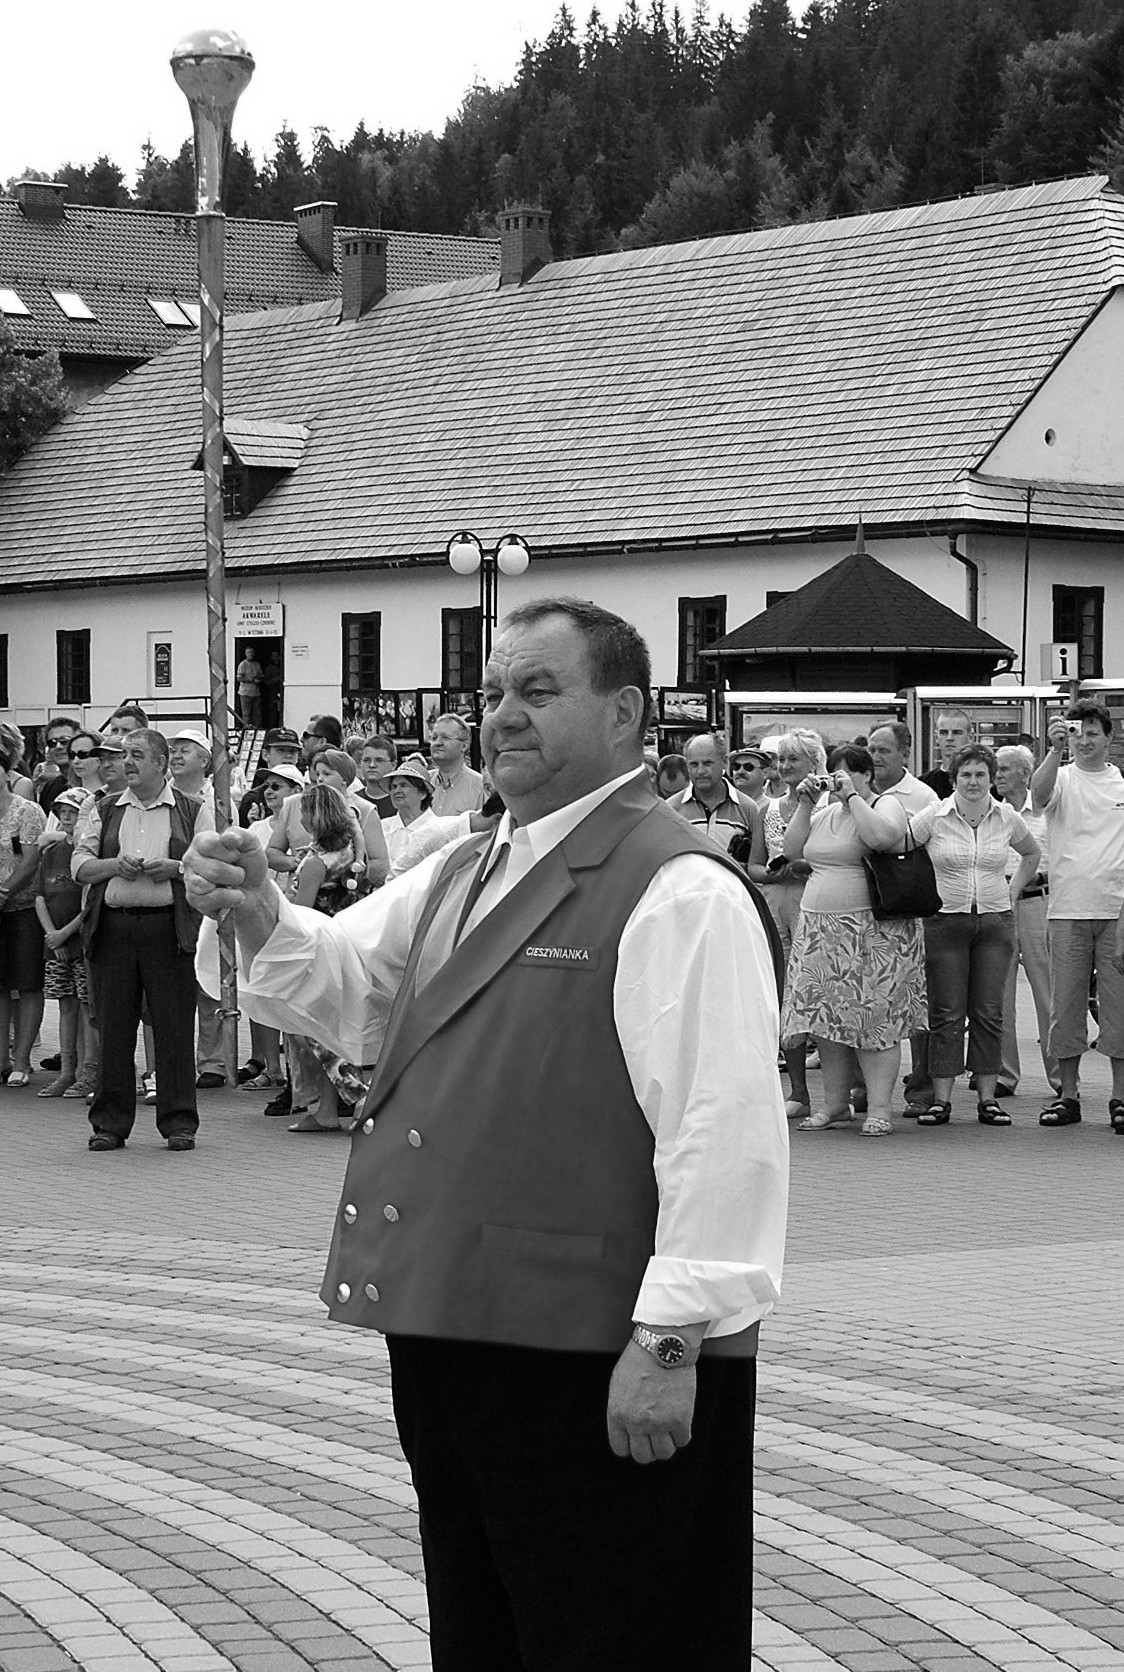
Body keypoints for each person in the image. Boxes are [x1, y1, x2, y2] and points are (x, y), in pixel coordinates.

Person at [186, 595, 788, 1669]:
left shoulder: (678, 886)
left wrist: (670, 1339)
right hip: (457, 1333)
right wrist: (258, 908)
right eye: (495, 689)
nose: (503, 712)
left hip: (590, 1347)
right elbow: (347, 986)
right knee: (488, 1632)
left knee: (621, 1636)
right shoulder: (465, 868)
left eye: (538, 689)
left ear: (625, 713)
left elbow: (722, 1131)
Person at [74, 730, 213, 1152]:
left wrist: (175, 868)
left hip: (168, 929)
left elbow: (212, 867)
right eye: (123, 756)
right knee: (114, 1027)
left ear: (161, 763)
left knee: (172, 1027)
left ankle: (178, 1123)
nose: (126, 763)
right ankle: (109, 1124)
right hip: (114, 928)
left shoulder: (192, 809)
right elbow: (79, 864)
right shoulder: (104, 807)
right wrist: (113, 865)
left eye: (137, 756)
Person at [781, 745, 926, 1136]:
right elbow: (792, 851)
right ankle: (835, 1105)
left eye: (844, 775)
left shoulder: (885, 804)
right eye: (832, 776)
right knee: (826, 1021)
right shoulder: (825, 812)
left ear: (865, 775)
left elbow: (884, 838)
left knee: (873, 1021)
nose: (836, 783)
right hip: (821, 933)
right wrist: (805, 803)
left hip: (871, 934)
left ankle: (880, 1108)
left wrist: (853, 797)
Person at [909, 745, 1039, 1126]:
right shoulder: (934, 815)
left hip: (994, 921)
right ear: (953, 779)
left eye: (981, 774)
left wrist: (1012, 892)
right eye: (965, 774)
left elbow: (1031, 855)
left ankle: (988, 1099)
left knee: (989, 1011)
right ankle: (942, 1100)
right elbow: (899, 849)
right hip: (945, 921)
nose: (973, 781)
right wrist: (920, 896)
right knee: (947, 1012)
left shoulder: (1006, 817)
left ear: (991, 778)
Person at [1033, 701, 1124, 1131]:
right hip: (1067, 911)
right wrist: (1054, 750)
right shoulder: (1062, 777)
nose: (1084, 741)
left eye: (1092, 732)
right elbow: (1038, 797)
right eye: (1077, 732)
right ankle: (1068, 1095)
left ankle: (1119, 1097)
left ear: (1109, 737)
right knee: (1065, 1007)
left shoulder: (1121, 785)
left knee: (1119, 1008)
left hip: (1116, 913)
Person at [746, 728, 827, 1120]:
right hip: (776, 903)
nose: (785, 767)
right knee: (784, 995)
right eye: (782, 760)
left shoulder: (830, 804)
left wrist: (803, 866)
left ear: (814, 763)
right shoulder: (769, 809)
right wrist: (776, 873)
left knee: (822, 992)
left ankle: (843, 1091)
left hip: (815, 903)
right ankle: (798, 1091)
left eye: (793, 759)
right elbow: (754, 865)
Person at [868, 722, 940, 1114]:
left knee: (914, 1001)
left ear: (905, 754)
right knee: (868, 999)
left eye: (884, 750)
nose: (876, 757)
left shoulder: (923, 796)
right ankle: (862, 1087)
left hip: (905, 909)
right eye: (871, 749)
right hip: (865, 911)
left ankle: (921, 1087)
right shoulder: (858, 788)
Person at [994, 745, 1058, 1100]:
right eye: (996, 769)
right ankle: (1005, 1074)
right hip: (1000, 903)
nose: (999, 775)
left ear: (1025, 773)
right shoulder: (992, 813)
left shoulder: (1047, 808)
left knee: (1047, 993)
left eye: (1005, 769)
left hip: (1038, 903)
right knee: (1000, 996)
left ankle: (1061, 1076)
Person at [33, 788, 90, 1098]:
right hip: (54, 944)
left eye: (73, 812)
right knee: (66, 1006)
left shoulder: (86, 851)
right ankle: (67, 1071)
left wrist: (64, 934)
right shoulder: (51, 852)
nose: (67, 817)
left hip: (80, 943)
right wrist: (52, 936)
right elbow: (40, 896)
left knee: (86, 1006)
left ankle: (87, 1071)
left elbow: (89, 904)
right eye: (62, 812)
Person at [0, 744, 48, 1086]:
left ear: (7, 773)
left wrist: (4, 893)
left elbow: (31, 860)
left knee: (28, 983)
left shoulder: (26, 811)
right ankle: (1, 1058)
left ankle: (22, 1061)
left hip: (24, 908)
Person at [668, 732, 758, 853]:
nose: (700, 771)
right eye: (694, 764)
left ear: (725, 762)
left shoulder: (748, 808)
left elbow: (757, 860)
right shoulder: (672, 809)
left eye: (707, 763)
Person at [311, 749, 389, 887]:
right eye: (318, 774)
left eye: (327, 774)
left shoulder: (360, 809)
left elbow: (380, 866)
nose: (320, 779)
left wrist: (355, 866)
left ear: (344, 780)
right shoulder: (307, 804)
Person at [380, 755, 442, 869]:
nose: (397, 791)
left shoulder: (438, 829)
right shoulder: (382, 827)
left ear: (422, 793)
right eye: (393, 787)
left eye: (404, 785)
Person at [238, 727, 303, 827]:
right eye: (281, 750)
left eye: (292, 751)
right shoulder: (253, 799)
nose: (288, 755)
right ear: (265, 755)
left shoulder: (310, 794)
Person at [428, 713, 484, 816]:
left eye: (446, 738)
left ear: (464, 746)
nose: (438, 743)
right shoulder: (422, 782)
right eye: (434, 738)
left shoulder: (480, 787)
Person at [32, 717, 80, 817]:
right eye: (52, 743)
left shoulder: (91, 781)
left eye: (64, 741)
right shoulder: (49, 788)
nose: (58, 746)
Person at [921, 709, 972, 799]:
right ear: (937, 737)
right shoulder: (923, 785)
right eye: (943, 732)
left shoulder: (983, 784)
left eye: (956, 732)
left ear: (970, 737)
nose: (949, 738)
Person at [357, 734, 398, 817]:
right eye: (366, 760)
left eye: (379, 760)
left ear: (393, 765)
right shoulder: (353, 801)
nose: (372, 765)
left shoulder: (401, 802)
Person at [236, 644, 264, 729]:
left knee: (257, 714)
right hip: (245, 693)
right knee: (246, 714)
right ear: (245, 654)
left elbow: (261, 676)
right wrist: (251, 680)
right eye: (248, 652)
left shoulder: (257, 665)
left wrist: (259, 679)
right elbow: (239, 678)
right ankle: (247, 731)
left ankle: (257, 730)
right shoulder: (243, 665)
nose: (250, 654)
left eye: (252, 652)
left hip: (256, 693)